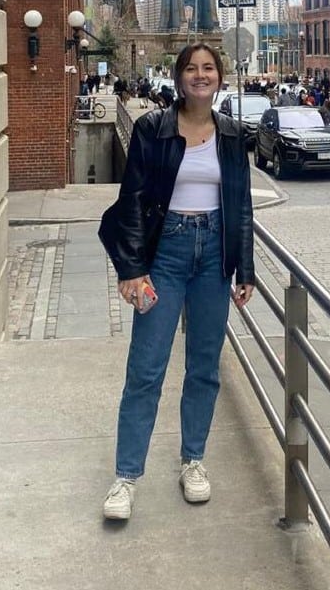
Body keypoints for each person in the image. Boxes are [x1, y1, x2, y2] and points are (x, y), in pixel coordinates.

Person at [98, 43, 255, 521]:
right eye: (192, 68)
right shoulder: (152, 128)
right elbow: (132, 199)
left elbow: (241, 205)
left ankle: (193, 461)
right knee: (146, 369)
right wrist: (131, 269)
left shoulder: (231, 134)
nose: (200, 76)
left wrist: (243, 268)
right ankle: (126, 477)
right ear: (179, 77)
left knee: (204, 367)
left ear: (220, 78)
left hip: (214, 258)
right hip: (164, 255)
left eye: (209, 69)